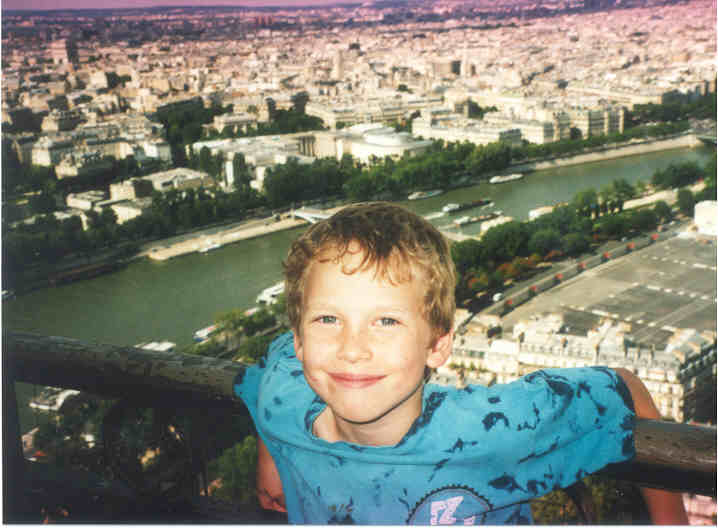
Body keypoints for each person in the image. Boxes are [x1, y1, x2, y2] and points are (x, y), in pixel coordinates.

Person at [234, 202, 687, 524]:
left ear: (438, 346)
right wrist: (272, 459)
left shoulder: (497, 427)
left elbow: (624, 386)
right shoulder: (283, 401)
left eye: (386, 321)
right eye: (328, 319)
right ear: (302, 340)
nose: (352, 348)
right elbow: (275, 366)